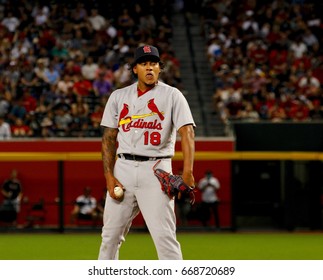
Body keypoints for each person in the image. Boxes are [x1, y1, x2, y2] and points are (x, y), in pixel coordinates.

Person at [98, 44, 195, 260]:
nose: (149, 68)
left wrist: (187, 172)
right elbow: (109, 138)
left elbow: (187, 133)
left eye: (153, 64)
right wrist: (108, 175)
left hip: (157, 169)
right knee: (110, 237)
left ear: (160, 68)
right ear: (135, 69)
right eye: (143, 64)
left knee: (165, 238)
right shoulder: (118, 96)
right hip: (122, 168)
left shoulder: (172, 95)